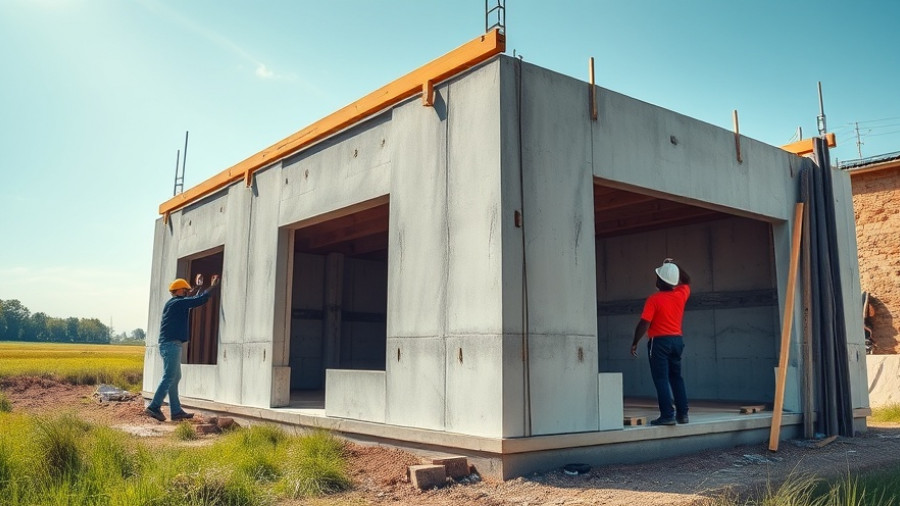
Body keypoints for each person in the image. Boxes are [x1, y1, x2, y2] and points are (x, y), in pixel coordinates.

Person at [145, 273, 220, 421]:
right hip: (171, 345)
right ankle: (154, 407)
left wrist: (198, 286)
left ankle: (176, 411)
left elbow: (191, 298)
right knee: (169, 377)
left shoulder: (174, 303)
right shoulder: (177, 303)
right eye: (184, 290)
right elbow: (198, 300)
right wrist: (213, 286)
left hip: (170, 344)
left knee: (175, 377)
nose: (186, 291)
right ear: (179, 290)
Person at [630, 258, 691, 426]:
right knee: (676, 377)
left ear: (660, 281)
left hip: (659, 343)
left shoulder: (654, 299)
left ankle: (667, 416)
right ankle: (683, 414)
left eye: (658, 276)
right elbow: (686, 280)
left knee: (661, 379)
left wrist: (635, 341)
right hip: (677, 341)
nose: (655, 279)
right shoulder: (681, 294)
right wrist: (673, 265)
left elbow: (644, 323)